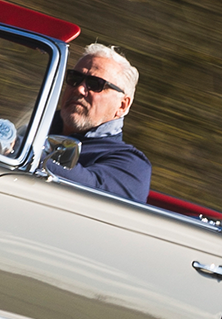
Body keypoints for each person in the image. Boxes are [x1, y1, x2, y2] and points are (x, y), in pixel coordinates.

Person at [43, 43, 151, 202]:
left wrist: (21, 149)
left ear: (122, 105)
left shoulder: (132, 165)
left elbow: (91, 189)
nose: (79, 89)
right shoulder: (33, 124)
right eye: (74, 78)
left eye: (95, 84)